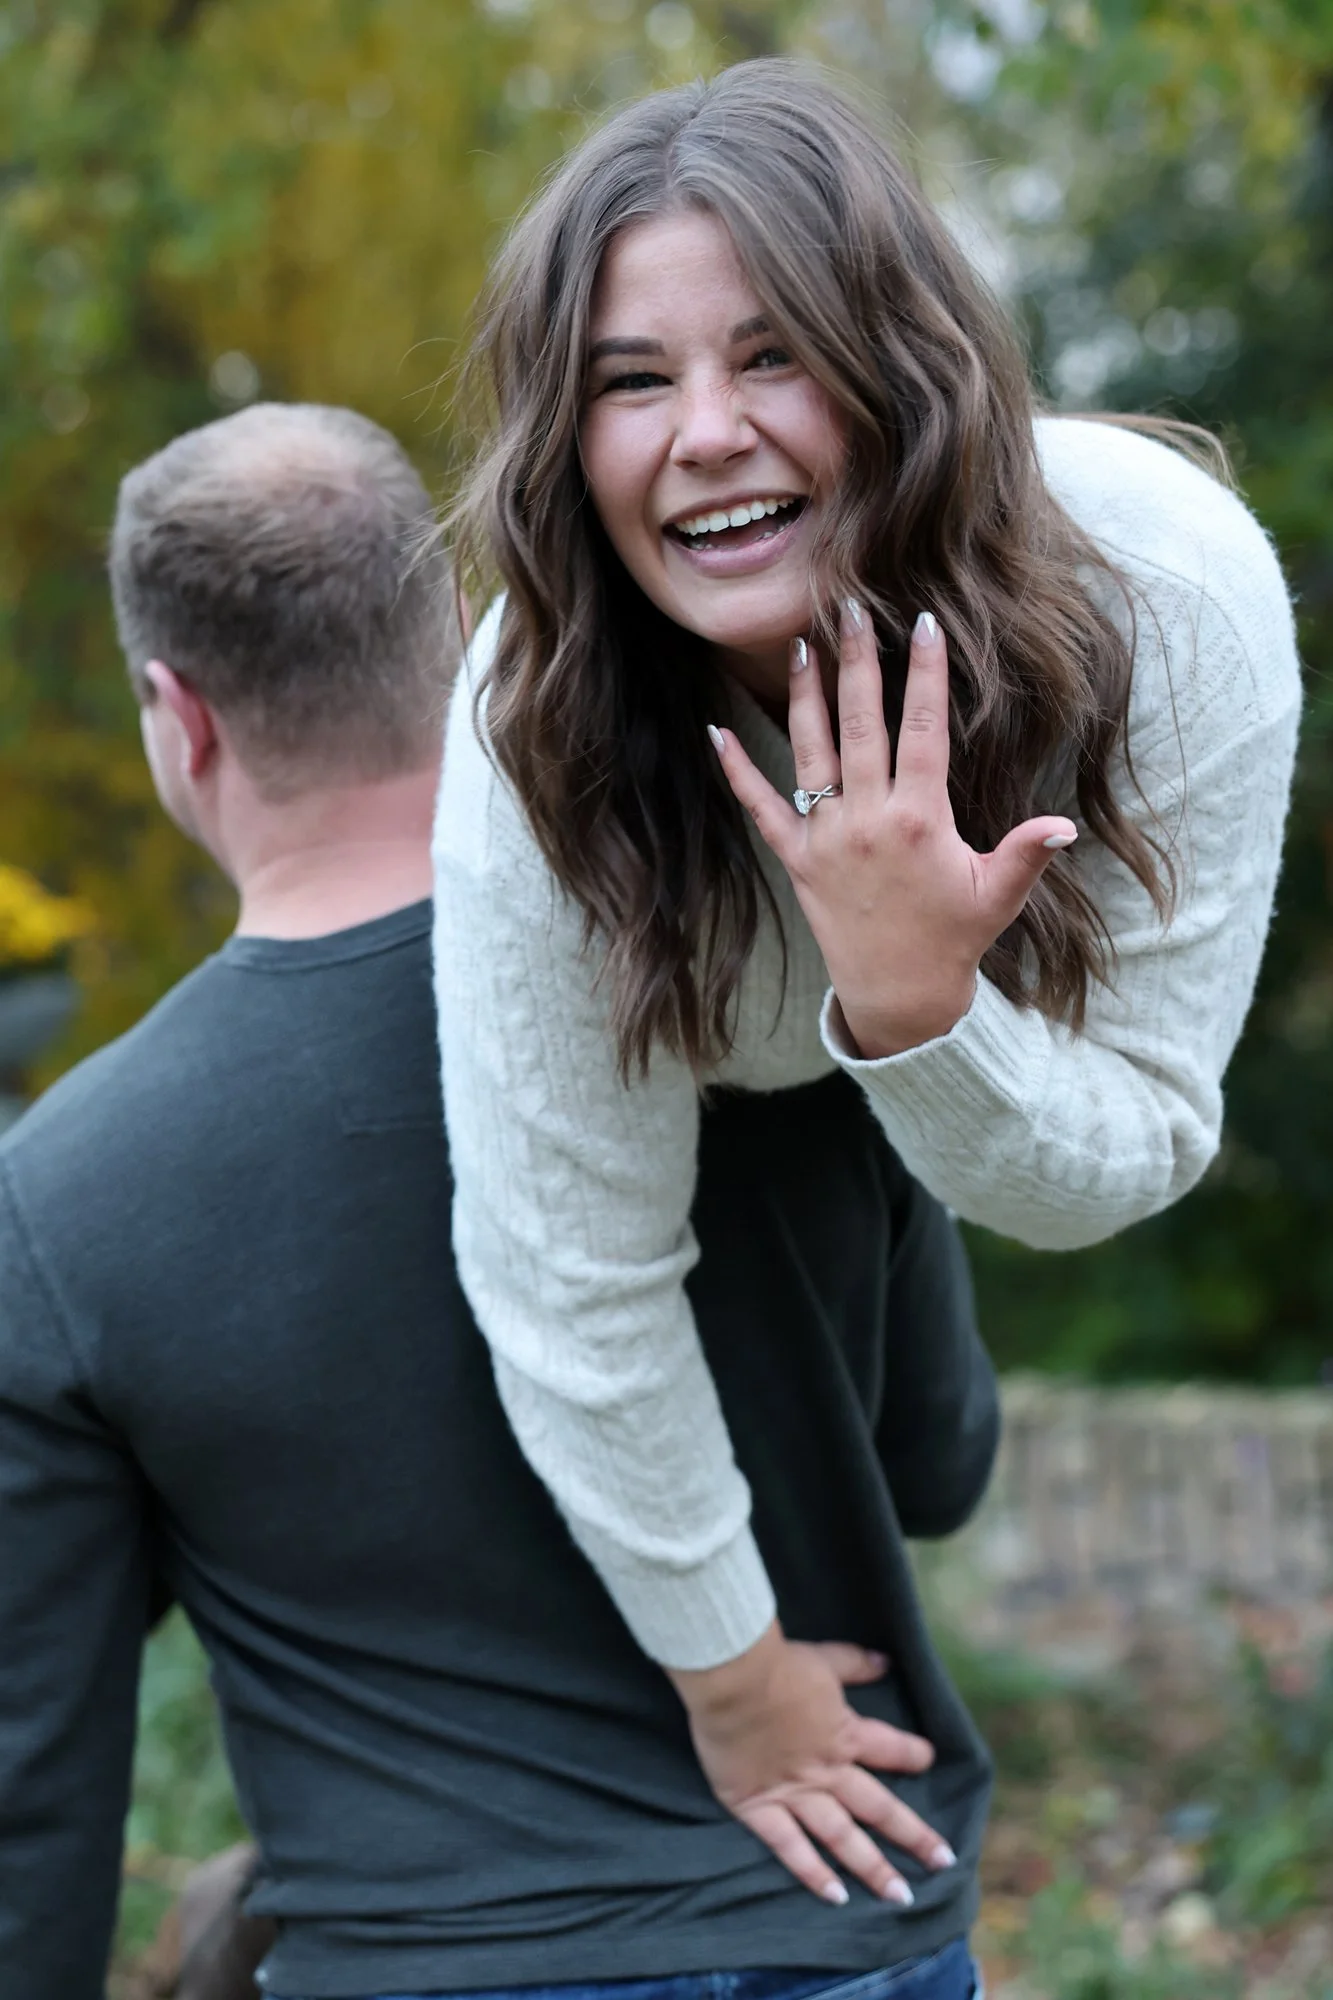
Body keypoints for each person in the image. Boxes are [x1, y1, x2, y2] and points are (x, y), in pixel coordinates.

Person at [432, 51, 1302, 1888]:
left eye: (773, 356)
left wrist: (916, 1002)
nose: (706, 434)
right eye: (630, 383)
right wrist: (737, 1683)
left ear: (905, 375)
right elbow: (565, 1268)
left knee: (946, 1457)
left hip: (949, 1092)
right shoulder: (535, 707)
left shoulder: (1180, 600)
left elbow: (1131, 1151)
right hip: (653, 1102)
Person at [0, 399, 996, 2000]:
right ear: (460, 634)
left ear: (176, 717)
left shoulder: (59, 1200)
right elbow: (939, 1464)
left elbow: (29, 1785)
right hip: (839, 1927)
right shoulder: (751, 990)